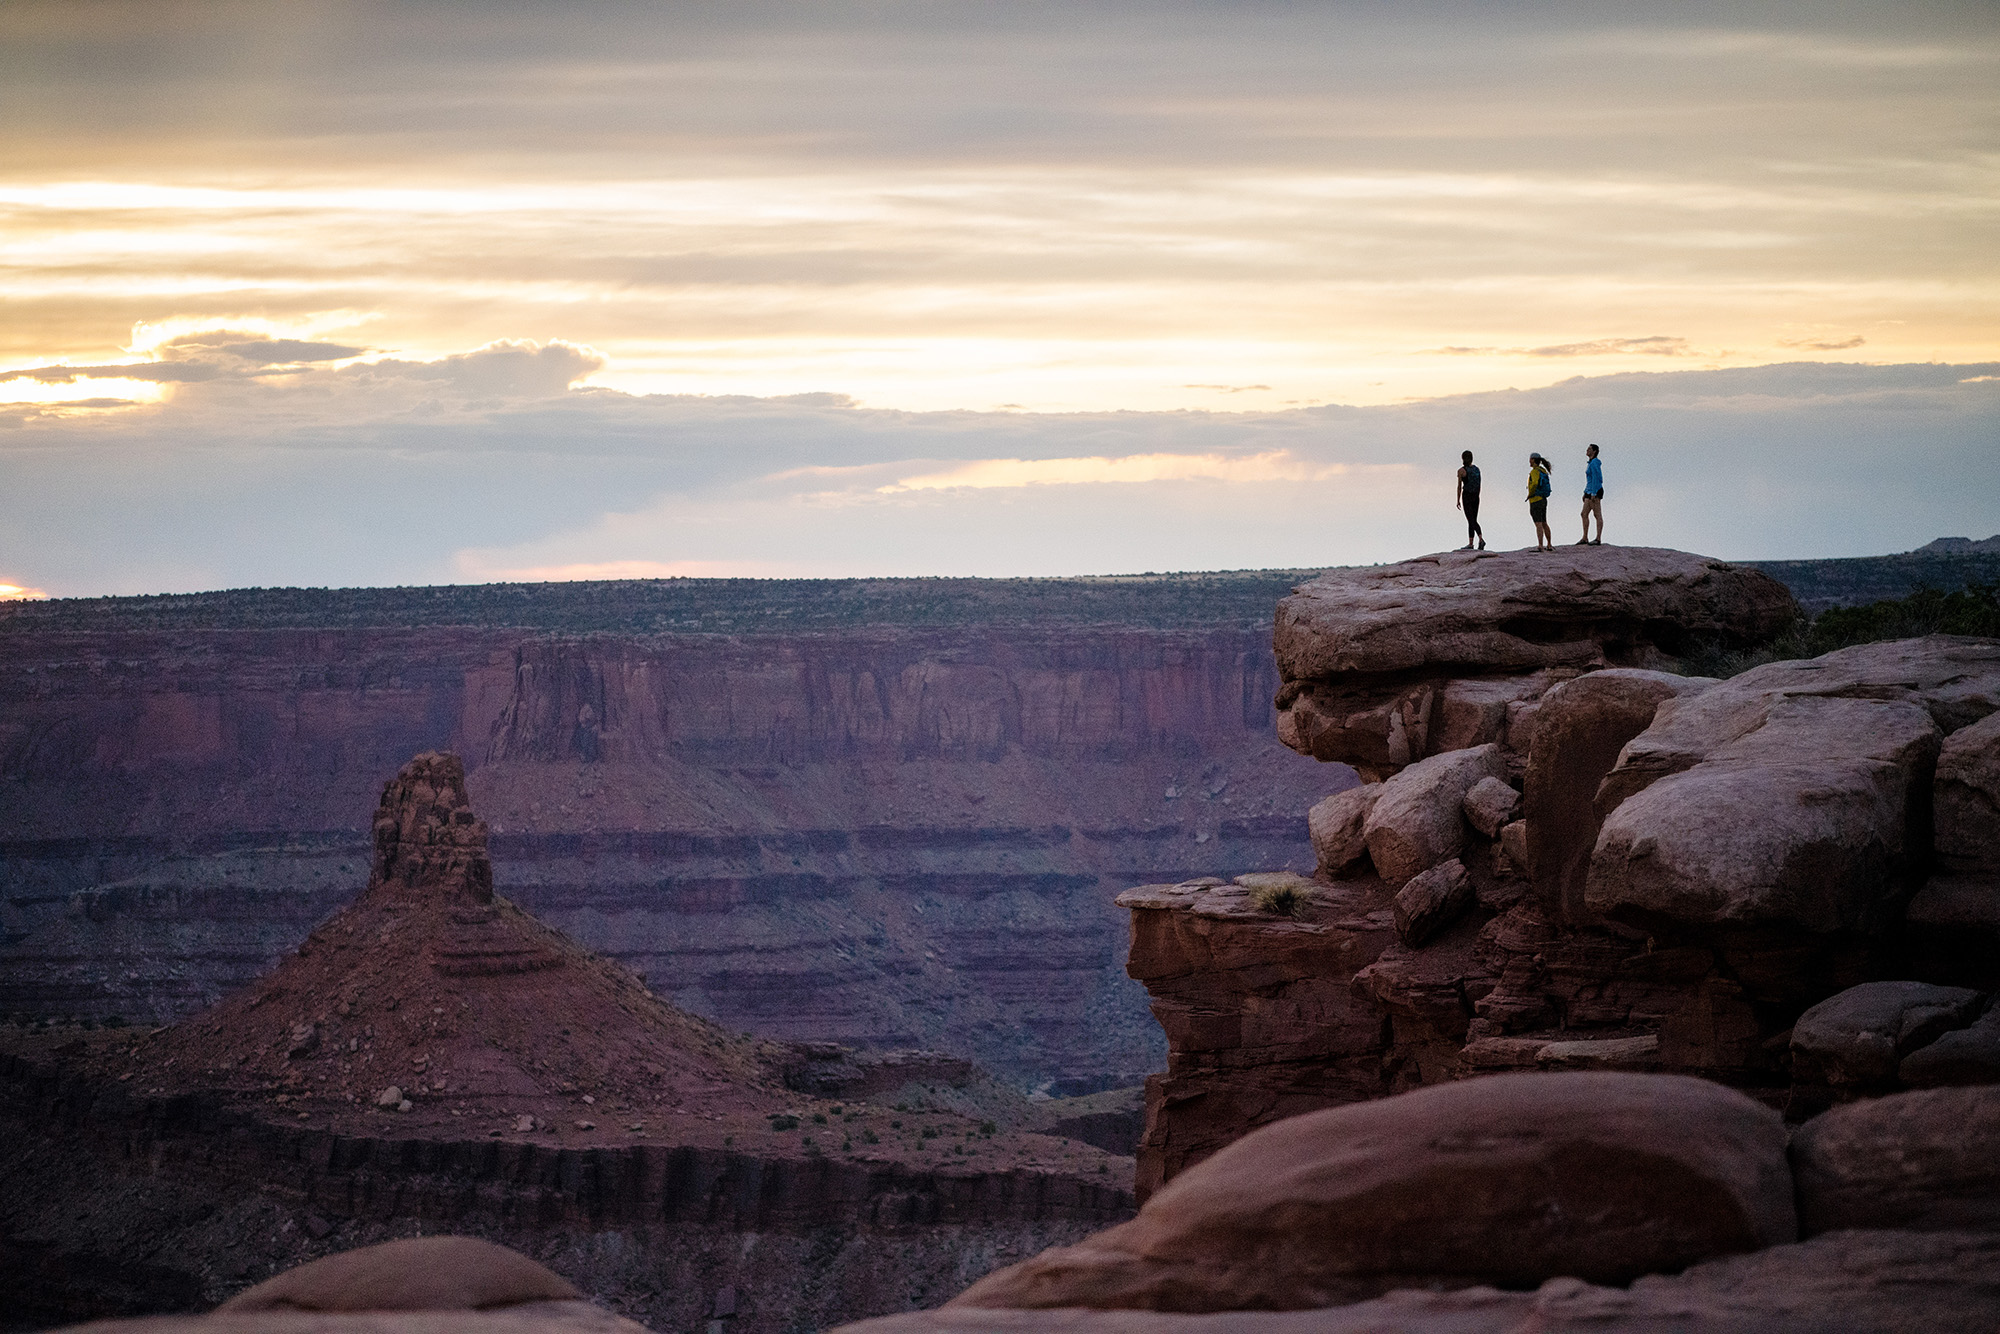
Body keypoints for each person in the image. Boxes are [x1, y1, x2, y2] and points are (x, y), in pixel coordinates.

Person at [1455, 450, 1486, 551]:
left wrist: (1458, 499)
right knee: (1473, 519)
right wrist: (1477, 495)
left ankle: (1480, 539)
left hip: (1467, 496)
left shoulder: (1461, 471)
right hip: (1476, 496)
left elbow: (1459, 486)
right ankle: (1471, 543)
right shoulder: (1477, 469)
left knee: (1470, 519)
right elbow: (1479, 484)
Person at [1577, 443, 1604, 545]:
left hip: (1595, 492)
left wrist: (1594, 492)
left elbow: (1597, 478)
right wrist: (1585, 492)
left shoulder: (1595, 463)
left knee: (1597, 514)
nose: (1587, 450)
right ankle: (1585, 537)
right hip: (1589, 492)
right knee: (1584, 514)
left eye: (1589, 449)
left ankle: (1598, 538)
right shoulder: (1590, 463)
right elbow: (1589, 479)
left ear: (1594, 451)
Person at [1526, 452, 1553, 551]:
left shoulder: (1534, 471)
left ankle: (1540, 545)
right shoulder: (1543, 471)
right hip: (1543, 499)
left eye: (1530, 459)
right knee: (1544, 522)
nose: (1529, 461)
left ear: (1533, 460)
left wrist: (1530, 494)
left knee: (1538, 523)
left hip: (1535, 499)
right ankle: (1549, 544)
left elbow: (1534, 484)